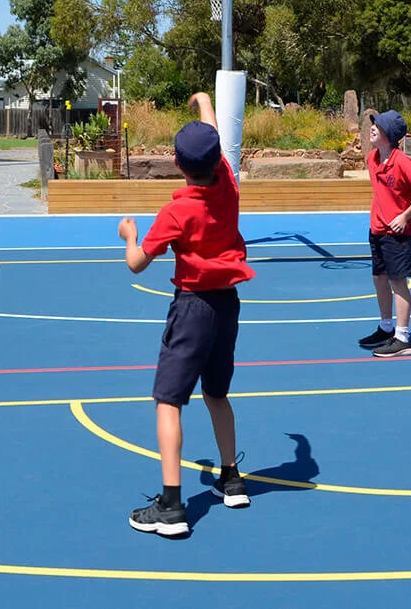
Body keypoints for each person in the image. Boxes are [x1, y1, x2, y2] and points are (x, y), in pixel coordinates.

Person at [118, 93, 255, 538]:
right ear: (218, 161)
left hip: (192, 308)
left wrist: (129, 234)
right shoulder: (229, 186)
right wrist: (205, 101)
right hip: (227, 306)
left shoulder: (176, 212)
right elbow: (214, 135)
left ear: (178, 165)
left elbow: (137, 263)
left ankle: (172, 506)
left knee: (168, 401)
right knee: (218, 394)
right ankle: (231, 479)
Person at [356, 110, 411, 357]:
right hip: (377, 229)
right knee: (379, 278)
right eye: (373, 125)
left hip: (397, 233)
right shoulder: (372, 158)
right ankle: (386, 327)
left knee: (397, 282)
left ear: (389, 135)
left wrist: (404, 216)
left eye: (378, 126)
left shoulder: (402, 162)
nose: (372, 129)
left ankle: (403, 337)